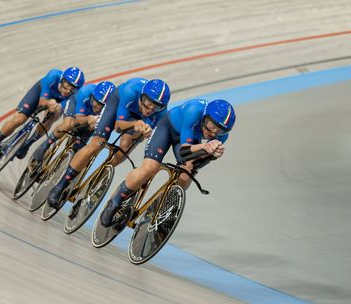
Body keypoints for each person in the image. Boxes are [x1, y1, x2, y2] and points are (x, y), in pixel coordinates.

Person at [99, 98, 236, 227]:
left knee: (187, 173)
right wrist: (204, 147)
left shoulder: (222, 137)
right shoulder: (193, 111)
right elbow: (184, 152)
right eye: (211, 125)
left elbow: (197, 162)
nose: (213, 132)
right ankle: (116, 200)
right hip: (168, 128)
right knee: (149, 168)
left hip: (188, 140)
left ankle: (163, 208)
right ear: (204, 117)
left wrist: (212, 156)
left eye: (220, 130)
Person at [46, 78, 171, 209]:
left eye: (155, 106)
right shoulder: (130, 92)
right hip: (117, 104)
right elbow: (117, 127)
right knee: (96, 144)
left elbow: (142, 133)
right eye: (147, 103)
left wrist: (144, 132)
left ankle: (99, 177)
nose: (150, 109)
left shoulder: (161, 113)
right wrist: (135, 124)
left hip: (137, 119)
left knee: (125, 147)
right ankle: (61, 185)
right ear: (142, 96)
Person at [0, 66, 85, 162]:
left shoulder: (74, 96)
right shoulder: (53, 76)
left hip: (59, 102)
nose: (68, 90)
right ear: (62, 79)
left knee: (53, 116)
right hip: (41, 93)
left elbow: (63, 109)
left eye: (73, 89)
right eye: (66, 85)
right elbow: (42, 101)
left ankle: (28, 143)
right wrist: (48, 102)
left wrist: (56, 108)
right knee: (18, 119)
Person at [30, 81, 116, 165]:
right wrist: (88, 118)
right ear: (92, 96)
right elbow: (77, 119)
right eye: (97, 102)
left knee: (83, 148)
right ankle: (45, 145)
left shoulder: (112, 108)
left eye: (102, 106)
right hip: (76, 105)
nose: (98, 108)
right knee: (68, 125)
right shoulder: (85, 92)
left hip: (91, 117)